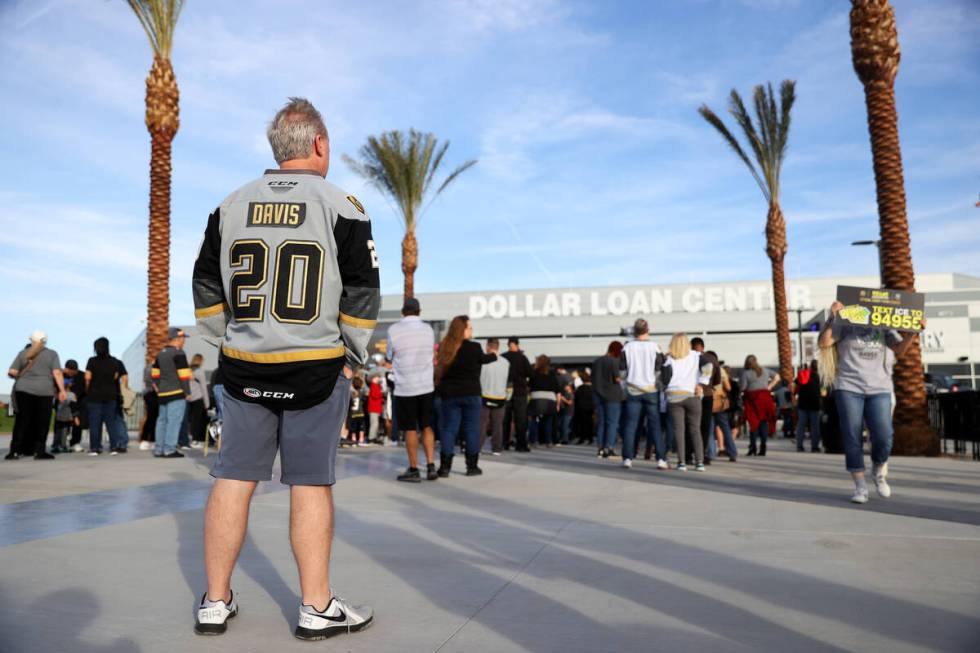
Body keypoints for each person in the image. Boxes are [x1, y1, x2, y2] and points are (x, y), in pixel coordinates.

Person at [191, 98, 378, 639]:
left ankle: (215, 600)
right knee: (310, 483)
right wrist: (351, 355)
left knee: (233, 477)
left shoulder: (229, 204)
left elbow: (205, 285)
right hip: (315, 366)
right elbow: (363, 292)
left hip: (246, 361)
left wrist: (225, 339)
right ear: (319, 144)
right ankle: (315, 607)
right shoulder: (343, 204)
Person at [818, 301, 924, 503]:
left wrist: (913, 332)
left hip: (879, 387)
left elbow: (899, 349)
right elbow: (824, 343)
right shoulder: (845, 322)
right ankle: (860, 486)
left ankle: (878, 469)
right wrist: (832, 318)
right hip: (848, 386)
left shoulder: (883, 323)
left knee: (884, 435)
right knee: (852, 436)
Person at [435, 315, 496, 477]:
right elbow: (483, 359)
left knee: (449, 429)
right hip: (471, 393)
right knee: (471, 429)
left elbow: (439, 371)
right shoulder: (474, 347)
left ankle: (445, 467)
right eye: (469, 327)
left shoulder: (445, 347)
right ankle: (472, 466)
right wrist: (494, 355)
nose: (471, 330)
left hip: (450, 394)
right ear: (462, 330)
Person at [386, 297, 438, 482]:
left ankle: (414, 469)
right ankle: (431, 465)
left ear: (403, 312)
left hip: (405, 387)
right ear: (419, 311)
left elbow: (390, 355)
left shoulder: (394, 330)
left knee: (409, 428)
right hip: (425, 385)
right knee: (426, 425)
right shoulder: (428, 330)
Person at [7, 332, 66, 460]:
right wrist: (62, 390)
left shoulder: (23, 353)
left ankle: (15, 451)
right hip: (44, 391)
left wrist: (22, 377)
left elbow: (12, 371)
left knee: (22, 421)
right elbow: (57, 373)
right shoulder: (52, 354)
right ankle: (39, 452)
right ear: (45, 341)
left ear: (31, 340)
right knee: (42, 422)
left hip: (23, 390)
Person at [662, 333, 712, 472]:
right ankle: (700, 462)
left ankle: (682, 462)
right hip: (692, 395)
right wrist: (702, 383)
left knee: (679, 431)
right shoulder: (696, 356)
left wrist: (665, 389)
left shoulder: (668, 358)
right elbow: (708, 366)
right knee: (695, 430)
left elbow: (664, 378)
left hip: (674, 396)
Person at [621, 319, 667, 470]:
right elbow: (660, 369)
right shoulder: (655, 347)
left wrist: (625, 386)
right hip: (651, 390)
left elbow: (622, 371)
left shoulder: (627, 347)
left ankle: (627, 458)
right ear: (648, 330)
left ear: (634, 331)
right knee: (655, 426)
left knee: (630, 425)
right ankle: (661, 459)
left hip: (633, 390)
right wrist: (658, 384)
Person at [151, 328, 192, 459]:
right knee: (173, 422)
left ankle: (159, 449)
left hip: (162, 393)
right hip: (177, 392)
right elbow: (184, 375)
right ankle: (169, 449)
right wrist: (187, 392)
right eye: (183, 338)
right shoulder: (179, 353)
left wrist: (158, 386)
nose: (184, 341)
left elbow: (154, 374)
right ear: (177, 339)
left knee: (162, 421)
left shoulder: (160, 354)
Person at [84, 337, 129, 455]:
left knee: (95, 423)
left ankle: (95, 448)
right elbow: (115, 377)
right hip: (110, 395)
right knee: (111, 423)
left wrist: (88, 389)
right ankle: (114, 447)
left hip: (94, 395)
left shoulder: (91, 361)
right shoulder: (114, 361)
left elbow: (87, 377)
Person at [739, 355, 779, 456]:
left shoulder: (746, 373)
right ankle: (763, 446)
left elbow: (743, 387)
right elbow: (777, 377)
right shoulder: (765, 370)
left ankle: (753, 446)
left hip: (752, 399)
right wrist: (769, 386)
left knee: (753, 423)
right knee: (763, 422)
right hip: (765, 398)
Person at [591, 341, 625, 458]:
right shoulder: (614, 362)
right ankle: (609, 447)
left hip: (598, 395)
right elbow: (617, 379)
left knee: (601, 422)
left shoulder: (596, 361)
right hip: (612, 396)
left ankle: (600, 448)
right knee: (612, 423)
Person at [691, 338, 720, 464]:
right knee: (705, 426)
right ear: (703, 346)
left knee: (691, 425)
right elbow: (717, 380)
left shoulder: (688, 358)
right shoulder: (712, 359)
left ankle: (688, 454)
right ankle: (702, 454)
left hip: (692, 394)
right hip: (707, 395)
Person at [479, 338, 510, 456]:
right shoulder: (506, 362)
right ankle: (497, 448)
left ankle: (478, 447)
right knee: (498, 425)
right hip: (500, 397)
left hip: (484, 395)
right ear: (498, 346)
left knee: (482, 424)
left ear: (488, 346)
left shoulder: (483, 362)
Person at [502, 337, 532, 452]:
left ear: (508, 344)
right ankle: (521, 445)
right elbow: (530, 373)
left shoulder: (503, 357)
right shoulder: (522, 358)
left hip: (505, 391)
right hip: (520, 391)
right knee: (521, 420)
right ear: (517, 344)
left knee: (505, 419)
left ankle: (504, 443)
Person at [528, 354, 560, 448]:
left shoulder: (534, 373)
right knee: (548, 422)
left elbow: (529, 386)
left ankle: (533, 441)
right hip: (550, 399)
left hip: (536, 398)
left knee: (534, 421)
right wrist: (557, 403)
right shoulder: (552, 374)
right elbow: (557, 389)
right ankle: (548, 441)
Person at [712, 360, 737, 461]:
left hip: (707, 400)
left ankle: (710, 453)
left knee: (709, 429)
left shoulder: (701, 367)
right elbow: (728, 387)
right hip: (719, 402)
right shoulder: (721, 370)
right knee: (725, 428)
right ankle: (732, 452)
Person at [794, 359, 822, 453]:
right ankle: (815, 446)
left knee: (801, 425)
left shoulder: (804, 374)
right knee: (815, 426)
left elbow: (795, 384)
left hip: (802, 403)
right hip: (815, 403)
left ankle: (799, 446)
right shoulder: (819, 377)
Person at [63, 359, 88, 452]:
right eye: (69, 371)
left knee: (77, 423)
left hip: (79, 402)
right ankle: (60, 443)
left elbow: (82, 390)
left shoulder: (82, 375)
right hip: (64, 402)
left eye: (74, 372)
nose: (71, 373)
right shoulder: (62, 374)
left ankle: (75, 442)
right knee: (62, 423)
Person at [187, 354, 211, 448]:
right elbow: (204, 387)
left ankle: (191, 438)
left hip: (189, 398)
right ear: (200, 361)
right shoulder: (200, 371)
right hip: (198, 398)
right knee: (198, 420)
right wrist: (207, 402)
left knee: (191, 420)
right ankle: (195, 440)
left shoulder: (188, 371)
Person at [572, 370, 595, 445]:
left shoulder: (580, 388)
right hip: (590, 408)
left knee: (581, 423)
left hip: (580, 408)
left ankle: (582, 438)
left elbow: (576, 398)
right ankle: (590, 438)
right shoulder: (593, 388)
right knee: (590, 423)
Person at [139, 365, 158, 451]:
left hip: (148, 393)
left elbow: (145, 380)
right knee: (152, 418)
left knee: (151, 417)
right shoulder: (153, 368)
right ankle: (149, 439)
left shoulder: (147, 367)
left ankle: (146, 439)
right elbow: (154, 382)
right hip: (152, 393)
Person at [348, 377, 366, 446]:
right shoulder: (361, 392)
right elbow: (364, 400)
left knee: (353, 426)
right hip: (361, 412)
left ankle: (353, 439)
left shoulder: (351, 392)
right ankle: (361, 439)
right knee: (361, 426)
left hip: (353, 412)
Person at [366, 375, 383, 443]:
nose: (378, 378)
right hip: (373, 408)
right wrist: (381, 393)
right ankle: (371, 437)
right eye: (376, 377)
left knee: (376, 423)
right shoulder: (374, 385)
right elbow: (375, 395)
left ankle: (374, 436)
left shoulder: (377, 385)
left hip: (376, 408)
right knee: (374, 423)